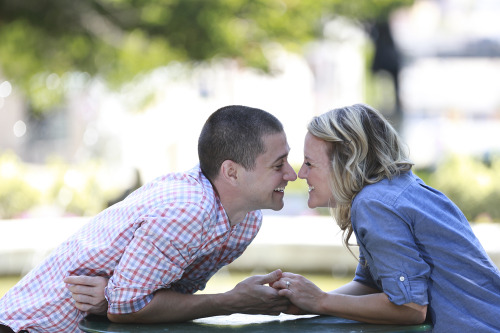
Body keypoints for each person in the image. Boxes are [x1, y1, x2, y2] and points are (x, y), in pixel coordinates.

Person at [0, 105, 297, 333]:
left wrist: (112, 297)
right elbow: (128, 307)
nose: (291, 174)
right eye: (277, 164)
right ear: (231, 172)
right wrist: (232, 300)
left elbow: (156, 297)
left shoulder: (246, 222)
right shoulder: (188, 210)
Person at [271, 103, 500, 332]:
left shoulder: (373, 204)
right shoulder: (399, 189)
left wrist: (321, 301)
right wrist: (304, 302)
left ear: (346, 163)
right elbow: (369, 285)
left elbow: (410, 307)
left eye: (309, 163)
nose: (301, 174)